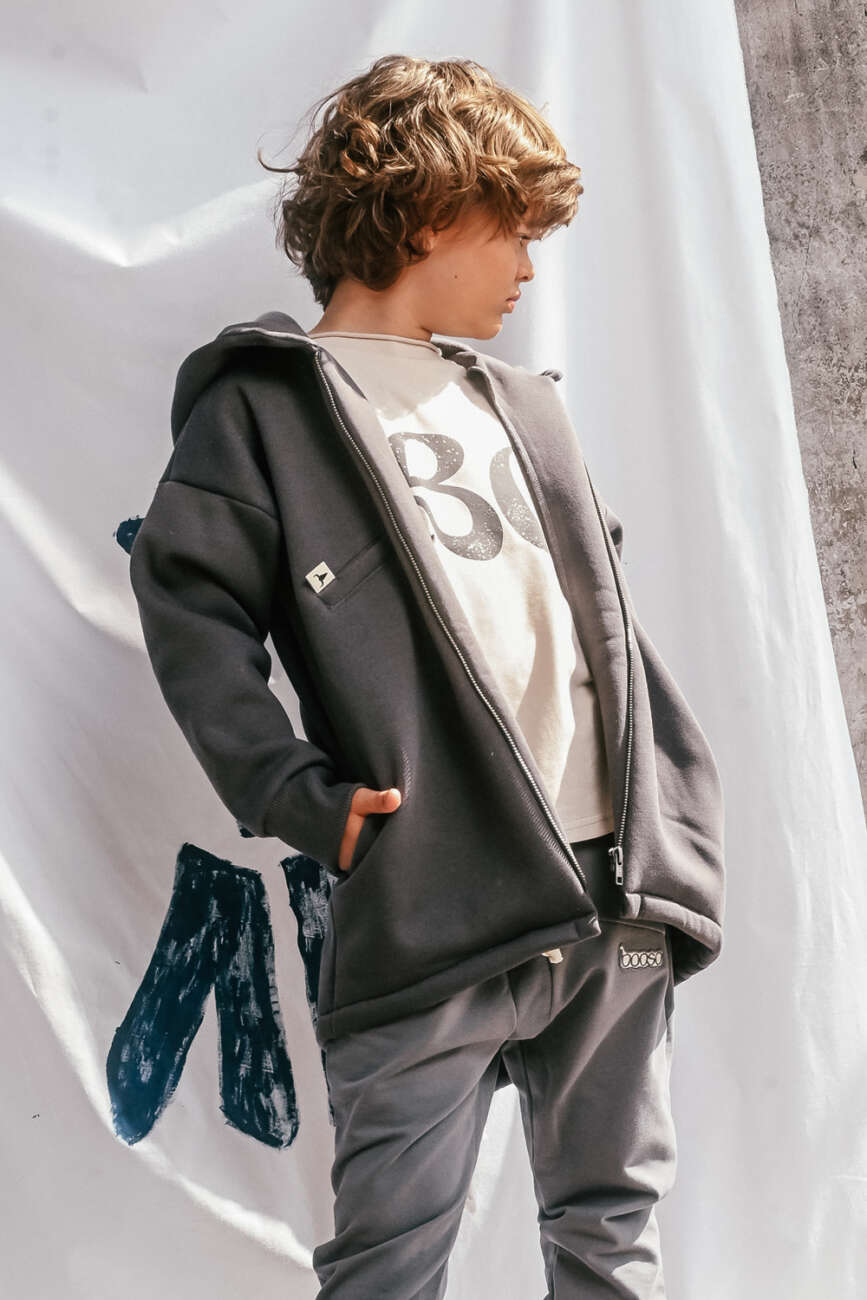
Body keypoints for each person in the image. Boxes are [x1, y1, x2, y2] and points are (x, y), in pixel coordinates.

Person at [130, 53, 725, 1299]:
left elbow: (599, 628)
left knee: (613, 1229)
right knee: (389, 1261)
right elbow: (192, 612)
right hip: (430, 904)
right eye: (516, 229)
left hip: (610, 892)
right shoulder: (264, 409)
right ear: (431, 212)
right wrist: (297, 795)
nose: (529, 268)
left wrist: (671, 808)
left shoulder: (527, 405)